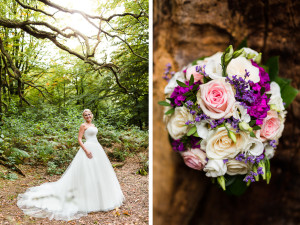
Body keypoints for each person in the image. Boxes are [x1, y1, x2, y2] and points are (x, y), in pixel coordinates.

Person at [17, 109, 124, 221]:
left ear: (92, 115)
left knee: (100, 173)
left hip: (97, 148)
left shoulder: (93, 124)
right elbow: (79, 139)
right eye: (85, 115)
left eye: (89, 114)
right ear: (83, 117)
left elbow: (94, 137)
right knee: (86, 173)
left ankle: (102, 198)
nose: (88, 116)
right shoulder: (83, 125)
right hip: (87, 148)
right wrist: (86, 150)